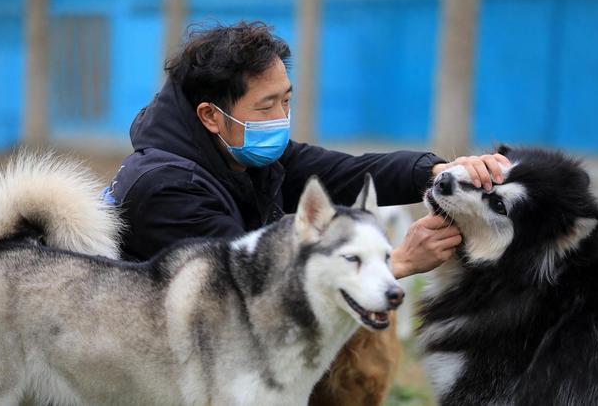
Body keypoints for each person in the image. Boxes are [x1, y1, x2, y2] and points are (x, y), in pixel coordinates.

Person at [104, 21, 509, 404]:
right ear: (211, 116)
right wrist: (395, 264)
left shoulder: (243, 154)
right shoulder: (167, 189)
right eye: (266, 106)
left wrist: (440, 170)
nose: (281, 118)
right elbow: (248, 296)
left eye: (286, 99)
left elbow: (347, 171)